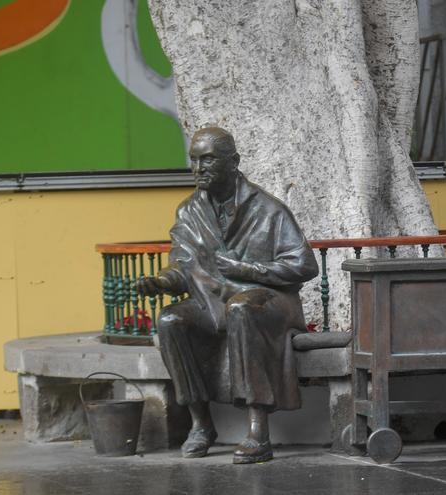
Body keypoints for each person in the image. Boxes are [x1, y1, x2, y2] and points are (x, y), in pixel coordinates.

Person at [136, 127, 319, 464]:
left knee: (241, 310)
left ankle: (257, 430)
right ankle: (201, 424)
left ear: (233, 162)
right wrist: (163, 282)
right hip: (212, 302)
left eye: (207, 160)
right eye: (194, 160)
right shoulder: (189, 211)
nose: (198, 168)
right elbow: (182, 264)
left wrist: (248, 271)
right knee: (171, 319)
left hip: (268, 301)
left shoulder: (267, 208)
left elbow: (304, 265)